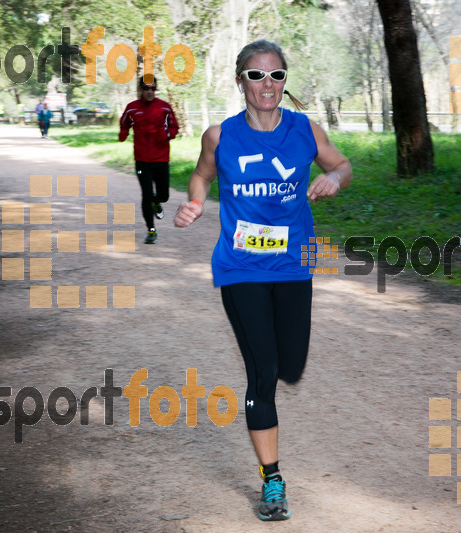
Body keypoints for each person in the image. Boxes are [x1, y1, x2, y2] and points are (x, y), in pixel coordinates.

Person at [173, 40, 351, 521]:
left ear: (285, 81)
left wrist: (334, 179)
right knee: (264, 373)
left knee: (291, 367)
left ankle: (273, 378)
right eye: (257, 76)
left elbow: (342, 163)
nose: (267, 85)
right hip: (241, 267)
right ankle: (272, 480)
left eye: (276, 76)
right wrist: (193, 201)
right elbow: (201, 176)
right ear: (240, 82)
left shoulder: (305, 130)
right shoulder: (221, 136)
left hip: (294, 264)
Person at [118, 78, 179, 244]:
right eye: (146, 88)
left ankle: (157, 200)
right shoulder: (132, 108)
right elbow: (124, 124)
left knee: (164, 196)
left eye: (152, 88)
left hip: (161, 158)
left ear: (156, 89)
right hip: (142, 160)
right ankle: (151, 230)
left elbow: (174, 127)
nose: (149, 91)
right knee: (145, 194)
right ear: (140, 89)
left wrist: (167, 135)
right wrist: (123, 134)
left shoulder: (164, 107)